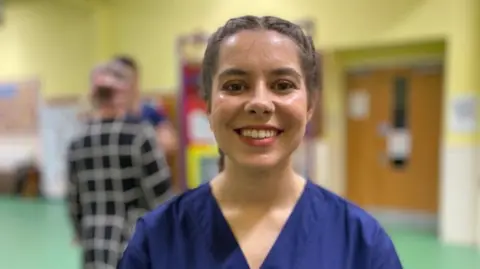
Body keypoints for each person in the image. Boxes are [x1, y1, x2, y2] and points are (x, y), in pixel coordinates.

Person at [118, 15, 403, 269]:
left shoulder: (362, 244)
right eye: (235, 86)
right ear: (208, 105)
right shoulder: (156, 239)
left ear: (310, 106)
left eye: (283, 85)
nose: (260, 103)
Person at [66, 61, 172, 269]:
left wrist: (81, 231)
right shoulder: (139, 135)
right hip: (135, 243)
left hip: (94, 244)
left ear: (94, 96)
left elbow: (74, 199)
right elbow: (159, 194)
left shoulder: (78, 142)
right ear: (123, 94)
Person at [113, 55, 178, 154]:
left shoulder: (150, 110)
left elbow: (170, 142)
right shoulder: (106, 115)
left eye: (127, 80)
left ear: (136, 80)